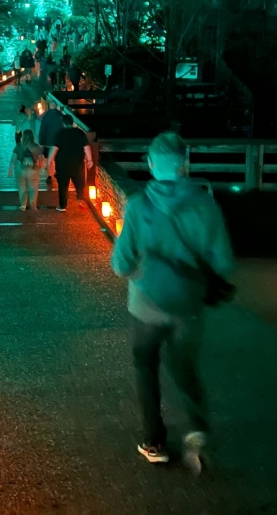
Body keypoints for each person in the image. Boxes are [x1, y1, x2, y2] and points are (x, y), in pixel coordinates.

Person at [110, 132, 234, 472]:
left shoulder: (138, 206)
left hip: (146, 306)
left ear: (150, 165)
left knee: (146, 366)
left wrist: (142, 269)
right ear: (185, 165)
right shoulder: (206, 206)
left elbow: (120, 264)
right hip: (188, 307)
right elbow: (224, 264)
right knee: (184, 366)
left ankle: (155, 441)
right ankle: (196, 428)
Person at [46, 115, 92, 211]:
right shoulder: (79, 133)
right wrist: (90, 160)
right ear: (72, 123)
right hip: (77, 163)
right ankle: (80, 198)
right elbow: (86, 147)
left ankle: (63, 206)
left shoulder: (59, 133)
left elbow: (54, 148)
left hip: (62, 165)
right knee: (79, 182)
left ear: (63, 123)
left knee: (63, 185)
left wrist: (50, 160)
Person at [9, 129, 43, 210]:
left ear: (23, 137)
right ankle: (33, 206)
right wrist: (39, 168)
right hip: (32, 170)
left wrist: (10, 170)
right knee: (33, 189)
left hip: (20, 169)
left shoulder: (18, 146)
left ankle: (23, 206)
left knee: (22, 188)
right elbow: (41, 160)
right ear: (32, 137)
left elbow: (13, 159)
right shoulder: (36, 147)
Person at [37, 97, 65, 191]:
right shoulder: (60, 115)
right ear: (56, 106)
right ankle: (57, 171)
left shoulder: (46, 116)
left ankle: (49, 176)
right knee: (58, 158)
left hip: (49, 143)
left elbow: (43, 130)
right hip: (59, 142)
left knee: (49, 159)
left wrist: (41, 142)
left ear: (49, 106)